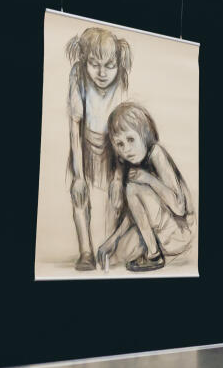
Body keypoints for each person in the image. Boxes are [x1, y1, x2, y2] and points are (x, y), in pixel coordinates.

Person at [96, 102, 195, 272]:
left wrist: (149, 179)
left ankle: (153, 255)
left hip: (182, 234)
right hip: (164, 235)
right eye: (120, 144)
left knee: (132, 189)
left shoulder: (156, 154)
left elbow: (179, 208)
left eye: (130, 139)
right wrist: (111, 241)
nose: (126, 149)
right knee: (118, 255)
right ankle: (152, 252)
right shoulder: (134, 164)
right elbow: (135, 213)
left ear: (145, 134)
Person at [65, 27, 132, 271]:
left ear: (118, 63)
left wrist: (117, 177)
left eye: (110, 65)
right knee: (79, 195)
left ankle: (109, 249)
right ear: (84, 61)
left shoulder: (122, 81)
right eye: (94, 64)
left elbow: (122, 130)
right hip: (83, 143)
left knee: (116, 196)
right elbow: (74, 126)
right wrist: (79, 176)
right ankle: (85, 251)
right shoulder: (78, 75)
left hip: (114, 146)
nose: (102, 73)